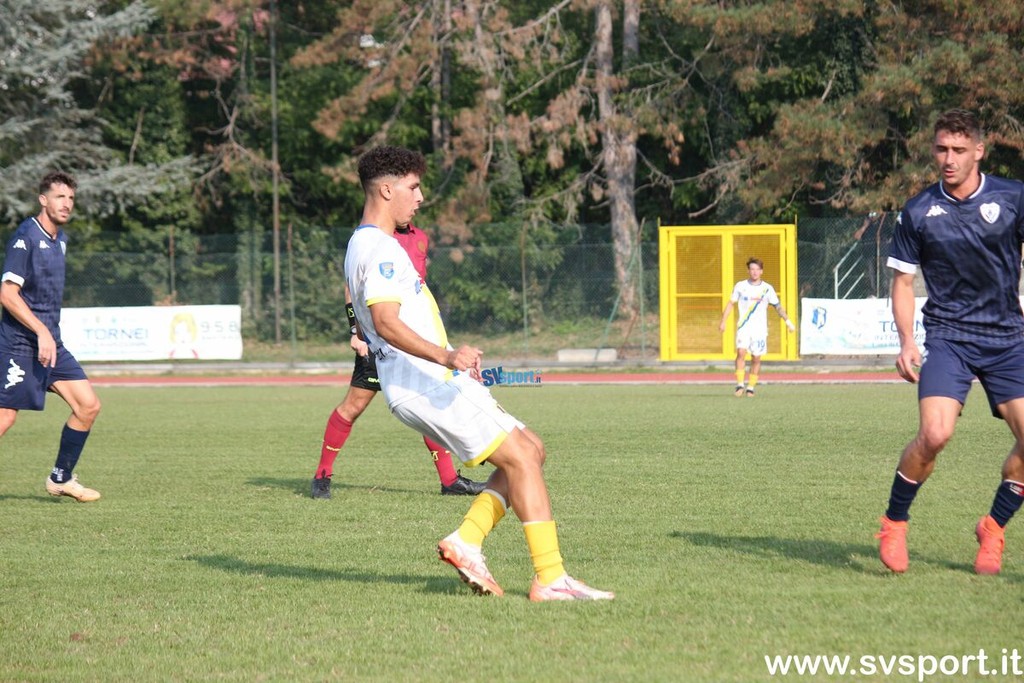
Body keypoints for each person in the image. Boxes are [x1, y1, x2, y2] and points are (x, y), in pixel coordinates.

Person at [345, 145, 613, 601]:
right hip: (426, 382)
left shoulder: (361, 243)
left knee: (531, 449)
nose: (420, 197)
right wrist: (446, 356)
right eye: (413, 187)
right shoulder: (381, 247)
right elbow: (386, 323)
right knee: (522, 457)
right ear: (386, 190)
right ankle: (550, 578)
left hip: (421, 382)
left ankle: (467, 541)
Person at [876, 108, 1024, 575]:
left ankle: (993, 527)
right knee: (935, 434)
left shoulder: (1014, 197)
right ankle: (894, 522)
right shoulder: (918, 210)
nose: (949, 158)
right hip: (950, 337)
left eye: (959, 150)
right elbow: (903, 282)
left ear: (979, 151)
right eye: (941, 149)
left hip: (1008, 337)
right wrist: (906, 341)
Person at [311, 223, 486, 500]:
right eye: (413, 197)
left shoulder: (420, 238)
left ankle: (450, 481)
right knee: (353, 406)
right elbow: (352, 288)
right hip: (380, 341)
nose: (416, 203)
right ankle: (322, 476)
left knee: (431, 407)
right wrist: (356, 331)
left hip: (412, 341)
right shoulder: (375, 237)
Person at [0, 171, 101, 502]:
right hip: (20, 345)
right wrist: (41, 330)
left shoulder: (62, 240)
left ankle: (61, 478)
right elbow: (7, 294)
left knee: (88, 406)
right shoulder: (25, 237)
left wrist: (48, 334)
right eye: (60, 197)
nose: (67, 203)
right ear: (43, 200)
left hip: (51, 345)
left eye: (71, 198)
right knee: (4, 417)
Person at [718, 257, 796, 397]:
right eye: (752, 269)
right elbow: (731, 303)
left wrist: (788, 321)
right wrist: (723, 321)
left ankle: (751, 387)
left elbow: (777, 306)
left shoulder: (767, 289)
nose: (754, 272)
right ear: (748, 271)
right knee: (741, 352)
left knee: (756, 358)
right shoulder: (740, 286)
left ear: (761, 271)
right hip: (744, 327)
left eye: (757, 269)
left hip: (759, 329)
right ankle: (740, 384)